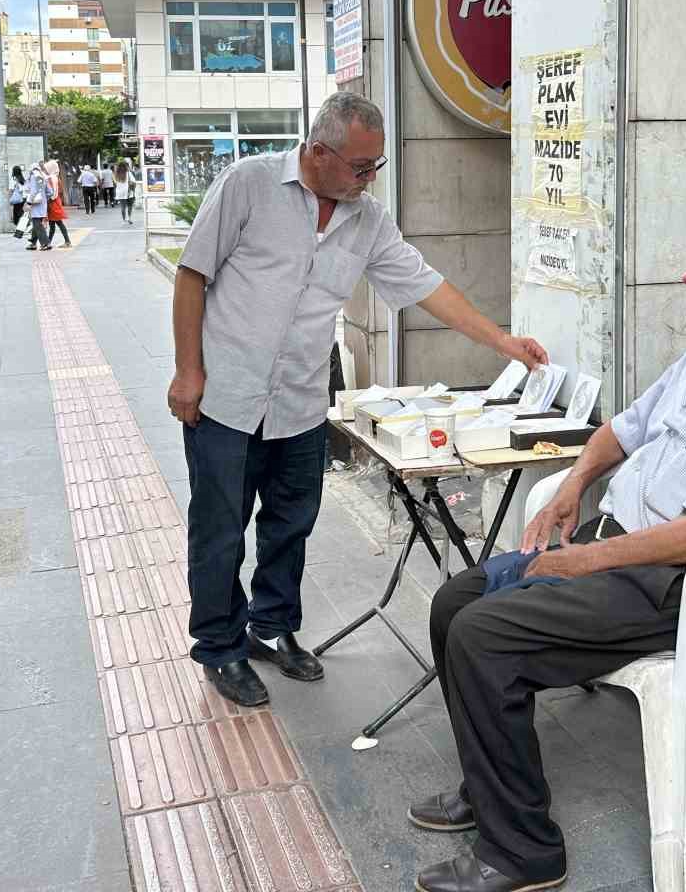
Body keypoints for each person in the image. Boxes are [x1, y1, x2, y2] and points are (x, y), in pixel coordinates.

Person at [408, 223, 686, 892]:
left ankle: (524, 854)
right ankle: (488, 785)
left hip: (684, 585)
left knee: (483, 635)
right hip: (620, 551)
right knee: (455, 601)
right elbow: (619, 431)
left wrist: (582, 563)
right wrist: (573, 486)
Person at [169, 91, 548, 709]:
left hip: (298, 401)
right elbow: (192, 275)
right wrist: (188, 370)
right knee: (219, 529)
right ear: (318, 153)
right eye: (360, 167)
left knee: (292, 522)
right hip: (227, 395)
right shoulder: (249, 185)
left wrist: (502, 341)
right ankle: (219, 646)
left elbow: (426, 285)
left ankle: (272, 626)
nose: (370, 179)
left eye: (377, 167)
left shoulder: (367, 219)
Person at [44, 160, 72, 247]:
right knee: (53, 224)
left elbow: (53, 192)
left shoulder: (52, 178)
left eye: (47, 167)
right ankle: (48, 242)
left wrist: (48, 199)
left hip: (53, 203)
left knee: (58, 223)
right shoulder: (55, 177)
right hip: (55, 202)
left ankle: (67, 242)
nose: (45, 169)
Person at [24, 163, 51, 250]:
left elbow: (33, 191)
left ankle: (46, 243)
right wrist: (43, 198)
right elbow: (50, 192)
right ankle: (33, 243)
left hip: (35, 204)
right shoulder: (44, 177)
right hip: (43, 204)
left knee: (37, 224)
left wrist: (29, 202)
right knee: (36, 223)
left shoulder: (33, 177)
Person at [8, 165, 28, 238]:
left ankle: (19, 230)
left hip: (16, 200)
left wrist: (9, 198)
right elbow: (25, 189)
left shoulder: (13, 179)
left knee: (16, 215)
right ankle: (21, 230)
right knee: (21, 213)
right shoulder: (23, 179)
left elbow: (11, 190)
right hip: (22, 199)